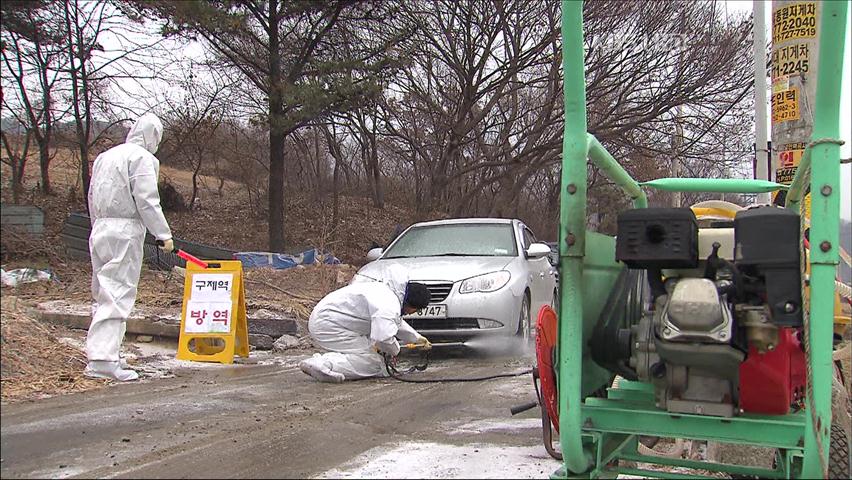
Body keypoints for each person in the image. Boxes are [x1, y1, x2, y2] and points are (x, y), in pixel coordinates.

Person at [85, 113, 174, 381]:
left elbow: (92, 195)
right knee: (118, 292)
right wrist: (163, 234)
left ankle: (103, 352)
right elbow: (146, 200)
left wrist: (96, 226)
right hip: (124, 231)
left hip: (100, 228)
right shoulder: (143, 159)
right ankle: (103, 359)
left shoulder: (105, 157)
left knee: (103, 292)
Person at [299, 264, 432, 383]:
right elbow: (383, 338)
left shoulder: (387, 294)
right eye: (415, 311)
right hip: (329, 325)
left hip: (329, 320)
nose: (410, 313)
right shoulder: (388, 303)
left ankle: (326, 364)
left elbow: (394, 322)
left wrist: (416, 338)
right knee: (372, 362)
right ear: (412, 305)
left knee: (369, 355)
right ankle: (323, 364)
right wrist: (394, 350)